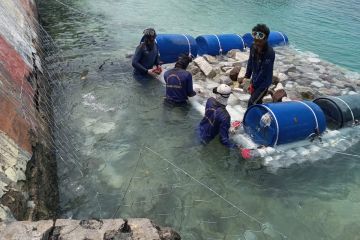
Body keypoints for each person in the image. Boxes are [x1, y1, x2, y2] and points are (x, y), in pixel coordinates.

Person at [242, 24, 275, 107]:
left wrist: (253, 84)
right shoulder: (253, 47)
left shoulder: (269, 53)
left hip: (264, 83)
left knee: (252, 102)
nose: (256, 43)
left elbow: (264, 72)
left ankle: (248, 119)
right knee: (257, 101)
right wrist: (247, 76)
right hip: (255, 79)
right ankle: (258, 117)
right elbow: (250, 62)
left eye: (259, 41)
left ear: (266, 39)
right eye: (255, 40)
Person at [198, 84, 238, 148]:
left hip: (200, 129)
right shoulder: (225, 116)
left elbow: (214, 117)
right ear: (228, 96)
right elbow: (224, 140)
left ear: (218, 94)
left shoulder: (210, 100)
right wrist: (236, 147)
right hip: (207, 139)